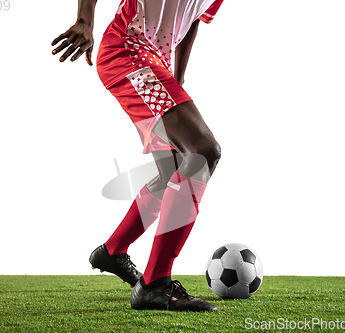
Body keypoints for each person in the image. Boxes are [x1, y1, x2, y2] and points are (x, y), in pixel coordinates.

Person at [51, 0, 224, 311]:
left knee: (173, 164)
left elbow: (193, 17)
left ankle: (113, 251)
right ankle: (155, 284)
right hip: (127, 52)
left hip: (152, 62)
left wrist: (177, 77)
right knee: (202, 152)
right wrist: (84, 21)